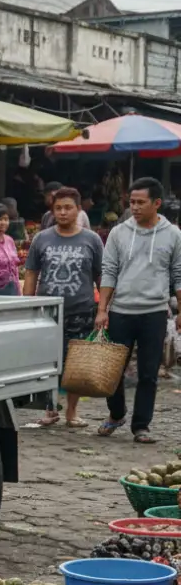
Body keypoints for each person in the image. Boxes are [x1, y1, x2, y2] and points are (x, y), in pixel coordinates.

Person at [95, 177, 181, 443]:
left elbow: (178, 274)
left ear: (157, 203)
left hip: (154, 312)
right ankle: (116, 413)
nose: (134, 207)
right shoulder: (119, 233)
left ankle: (141, 426)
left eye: (141, 202)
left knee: (148, 373)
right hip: (121, 311)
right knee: (113, 370)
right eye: (131, 202)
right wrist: (102, 309)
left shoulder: (173, 234)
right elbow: (109, 271)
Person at [22, 187, 104, 427]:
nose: (63, 212)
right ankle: (50, 409)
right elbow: (31, 273)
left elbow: (101, 275)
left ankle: (72, 411)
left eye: (68, 207)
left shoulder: (92, 239)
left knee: (76, 364)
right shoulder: (41, 238)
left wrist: (104, 307)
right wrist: (27, 305)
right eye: (58, 208)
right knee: (48, 362)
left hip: (81, 309)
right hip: (47, 311)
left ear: (78, 210)